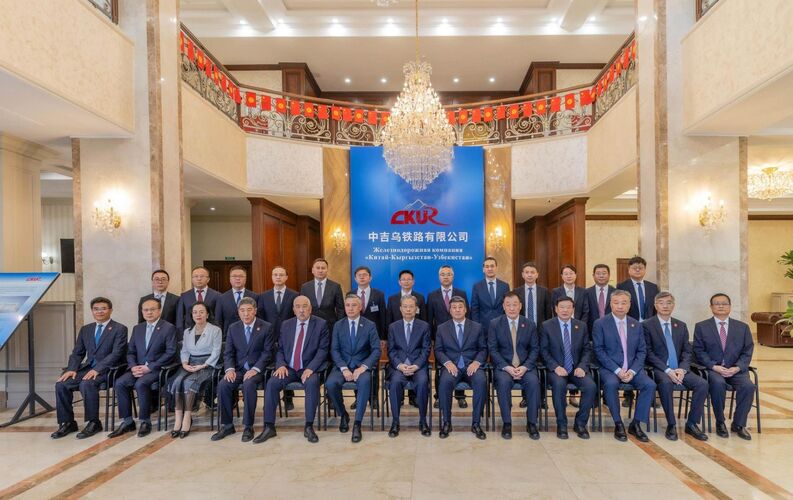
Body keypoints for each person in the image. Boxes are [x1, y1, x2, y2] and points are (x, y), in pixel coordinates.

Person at [256, 295, 330, 444]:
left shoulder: (321, 324)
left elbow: (323, 350)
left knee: (312, 383)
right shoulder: (286, 324)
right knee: (272, 383)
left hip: (308, 368)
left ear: (310, 309)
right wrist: (281, 365)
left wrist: (311, 368)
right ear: (294, 310)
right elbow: (280, 349)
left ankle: (309, 426)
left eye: (304, 306)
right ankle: (269, 426)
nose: (301, 310)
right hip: (288, 368)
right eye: (298, 307)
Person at [52, 297, 127, 439]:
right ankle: (68, 422)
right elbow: (77, 352)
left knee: (87, 384)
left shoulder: (120, 329)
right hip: (88, 368)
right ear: (92, 311)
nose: (99, 312)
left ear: (110, 310)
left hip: (109, 370)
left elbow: (116, 354)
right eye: (96, 309)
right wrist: (72, 369)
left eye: (103, 308)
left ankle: (94, 422)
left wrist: (97, 369)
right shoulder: (86, 329)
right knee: (61, 384)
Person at [643, 292, 708, 441]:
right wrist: (667, 370)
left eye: (669, 303)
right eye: (661, 303)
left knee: (702, 384)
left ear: (673, 305)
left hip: (680, 369)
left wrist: (682, 369)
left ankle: (692, 423)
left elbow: (687, 351)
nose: (665, 306)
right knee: (666, 383)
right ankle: (671, 424)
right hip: (660, 369)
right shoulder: (647, 325)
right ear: (655, 306)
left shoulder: (681, 325)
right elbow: (648, 352)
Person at [592, 290, 656, 442]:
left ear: (629, 305)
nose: (620, 306)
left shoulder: (636, 325)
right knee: (611, 384)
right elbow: (598, 350)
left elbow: (642, 351)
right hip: (610, 369)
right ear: (611, 304)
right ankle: (618, 423)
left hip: (633, 369)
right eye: (616, 303)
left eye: (624, 303)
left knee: (650, 385)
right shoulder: (600, 323)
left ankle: (636, 423)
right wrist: (618, 370)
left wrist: (632, 371)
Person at [109, 298, 177, 438]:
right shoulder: (137, 328)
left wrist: (149, 367)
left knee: (141, 384)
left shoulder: (168, 328)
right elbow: (130, 352)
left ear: (159, 311)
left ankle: (145, 421)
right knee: (120, 383)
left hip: (157, 369)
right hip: (137, 368)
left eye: (152, 309)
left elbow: (170, 352)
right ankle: (128, 421)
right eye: (146, 310)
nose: (149, 312)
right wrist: (133, 366)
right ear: (142, 312)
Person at [693, 293, 756, 440]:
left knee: (748, 386)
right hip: (714, 369)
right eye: (717, 303)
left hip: (736, 370)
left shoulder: (742, 327)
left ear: (730, 306)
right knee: (718, 383)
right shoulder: (701, 327)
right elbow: (698, 350)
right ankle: (720, 422)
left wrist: (738, 367)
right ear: (711, 307)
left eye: (724, 303)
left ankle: (739, 424)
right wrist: (713, 366)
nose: (721, 306)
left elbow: (748, 351)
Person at [211, 298, 273, 442]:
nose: (246, 314)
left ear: (255, 311)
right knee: (223, 384)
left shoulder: (266, 327)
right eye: (242, 310)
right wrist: (229, 369)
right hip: (238, 369)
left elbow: (267, 353)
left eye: (249, 310)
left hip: (257, 370)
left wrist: (255, 369)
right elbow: (228, 353)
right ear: (238, 312)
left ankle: (248, 426)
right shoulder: (233, 328)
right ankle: (227, 425)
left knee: (248, 384)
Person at [326, 293, 381, 443]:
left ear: (360, 307)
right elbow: (334, 350)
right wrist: (344, 368)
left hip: (361, 367)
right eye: (347, 305)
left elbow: (376, 350)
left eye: (354, 305)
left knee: (364, 382)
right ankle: (343, 414)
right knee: (330, 384)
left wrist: (363, 367)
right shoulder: (338, 325)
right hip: (342, 366)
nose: (350, 308)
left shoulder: (369, 325)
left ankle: (357, 423)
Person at [540, 297, 596, 440]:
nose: (565, 310)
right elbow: (543, 351)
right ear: (556, 309)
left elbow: (587, 350)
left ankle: (580, 423)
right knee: (559, 385)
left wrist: (582, 366)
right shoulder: (547, 326)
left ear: (573, 309)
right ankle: (562, 424)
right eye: (562, 307)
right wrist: (555, 367)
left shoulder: (581, 326)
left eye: (568, 307)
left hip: (576, 368)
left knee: (590, 386)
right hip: (557, 369)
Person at [488, 292, 542, 440]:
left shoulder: (529, 324)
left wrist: (525, 367)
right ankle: (507, 423)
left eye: (515, 304)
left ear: (520, 306)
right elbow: (493, 349)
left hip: (525, 367)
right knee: (503, 383)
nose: (512, 308)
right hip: (504, 367)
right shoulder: (495, 324)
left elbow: (535, 349)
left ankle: (531, 422)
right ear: (503, 307)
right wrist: (507, 367)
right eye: (508, 305)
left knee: (533, 382)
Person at [435, 296, 488, 440]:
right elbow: (438, 350)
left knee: (481, 381)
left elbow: (483, 349)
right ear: (450, 310)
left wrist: (477, 362)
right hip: (452, 366)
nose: (457, 310)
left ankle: (476, 423)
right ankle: (447, 422)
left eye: (460, 307)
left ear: (465, 310)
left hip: (472, 366)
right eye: (454, 307)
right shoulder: (442, 328)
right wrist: (447, 363)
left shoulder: (477, 327)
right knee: (445, 382)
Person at [167, 302, 222, 439]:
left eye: (201, 312)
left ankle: (187, 417)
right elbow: (185, 350)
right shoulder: (187, 331)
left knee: (189, 383)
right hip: (190, 364)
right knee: (177, 382)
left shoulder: (215, 330)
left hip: (207, 365)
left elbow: (216, 352)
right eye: (195, 312)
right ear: (191, 315)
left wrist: (203, 365)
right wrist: (185, 363)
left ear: (207, 314)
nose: (198, 315)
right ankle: (178, 418)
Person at [387, 295, 432, 437]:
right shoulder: (393, 327)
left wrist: (417, 365)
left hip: (417, 366)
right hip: (399, 367)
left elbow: (426, 349)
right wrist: (399, 365)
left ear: (416, 309)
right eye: (405, 307)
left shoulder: (424, 326)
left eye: (411, 306)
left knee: (423, 382)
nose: (408, 309)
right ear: (400, 309)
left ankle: (423, 421)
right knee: (395, 382)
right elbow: (391, 350)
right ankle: (395, 422)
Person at [616, 256, 658, 408]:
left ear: (645, 270)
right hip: (629, 328)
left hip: (649, 328)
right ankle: (629, 395)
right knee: (630, 358)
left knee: (649, 358)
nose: (638, 270)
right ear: (629, 270)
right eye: (635, 267)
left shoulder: (653, 287)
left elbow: (655, 309)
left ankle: (649, 394)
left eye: (641, 267)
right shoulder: (622, 286)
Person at [425, 265, 468, 408]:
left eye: (448, 274)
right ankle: (439, 396)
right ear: (439, 277)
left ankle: (460, 396)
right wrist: (431, 339)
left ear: (453, 276)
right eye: (443, 274)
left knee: (461, 364)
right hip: (441, 339)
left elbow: (467, 315)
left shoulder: (461, 293)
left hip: (460, 337)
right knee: (441, 368)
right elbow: (429, 319)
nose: (446, 277)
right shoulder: (432, 295)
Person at [257, 265, 299, 410]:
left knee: (287, 365)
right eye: (275, 274)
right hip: (269, 337)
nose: (278, 277)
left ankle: (288, 398)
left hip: (289, 337)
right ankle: (270, 401)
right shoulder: (263, 296)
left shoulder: (294, 295)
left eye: (281, 274)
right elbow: (261, 317)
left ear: (286, 277)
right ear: (272, 277)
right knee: (271, 367)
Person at [512, 261, 552, 409]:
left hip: (541, 333)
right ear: (522, 275)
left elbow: (548, 314)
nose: (529, 275)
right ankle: (525, 397)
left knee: (541, 364)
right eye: (527, 272)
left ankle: (542, 398)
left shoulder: (544, 291)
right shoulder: (517, 291)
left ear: (537, 275)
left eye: (532, 272)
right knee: (524, 363)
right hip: (522, 333)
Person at [300, 257, 344, 329]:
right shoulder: (305, 287)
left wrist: (340, 326)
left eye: (323, 268)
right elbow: (301, 307)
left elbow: (340, 309)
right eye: (318, 268)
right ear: (312, 270)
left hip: (330, 326)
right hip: (310, 325)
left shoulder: (335, 287)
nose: (320, 270)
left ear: (327, 270)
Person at [176, 266, 220, 336]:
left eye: (202, 276)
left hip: (210, 333)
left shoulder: (217, 295)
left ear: (208, 279)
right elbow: (180, 318)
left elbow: (218, 317)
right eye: (196, 276)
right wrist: (181, 335)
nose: (199, 279)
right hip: (190, 333)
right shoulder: (184, 296)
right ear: (192, 279)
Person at [470, 256, 509, 336]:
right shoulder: (477, 287)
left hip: (501, 327)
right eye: (487, 267)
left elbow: (507, 306)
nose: (490, 269)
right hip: (483, 328)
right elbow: (474, 309)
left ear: (496, 268)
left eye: (492, 266)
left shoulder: (505, 286)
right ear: (483, 269)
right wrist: (477, 327)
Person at [215, 266, 257, 336]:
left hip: (250, 335)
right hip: (228, 336)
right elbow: (218, 320)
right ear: (230, 279)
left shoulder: (254, 296)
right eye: (234, 276)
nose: (237, 278)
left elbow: (258, 318)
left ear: (245, 278)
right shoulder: (222, 298)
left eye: (241, 276)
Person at [353, 266, 387, 339]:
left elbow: (383, 317)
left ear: (370, 278)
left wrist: (383, 337)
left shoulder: (379, 294)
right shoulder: (350, 294)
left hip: (374, 333)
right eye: (359, 275)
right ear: (355, 279)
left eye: (364, 275)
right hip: (356, 333)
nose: (362, 277)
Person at [585, 264, 614, 334]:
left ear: (609, 275)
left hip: (612, 328)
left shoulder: (616, 292)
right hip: (592, 330)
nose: (601, 276)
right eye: (598, 273)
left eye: (604, 273)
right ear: (593, 276)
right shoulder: (586, 292)